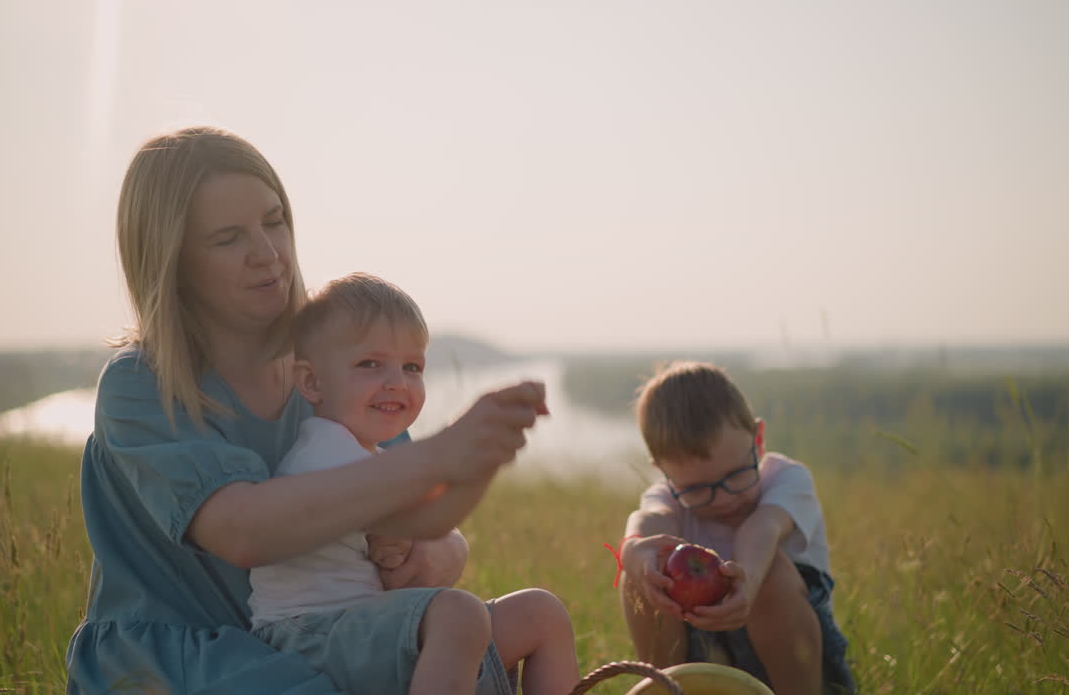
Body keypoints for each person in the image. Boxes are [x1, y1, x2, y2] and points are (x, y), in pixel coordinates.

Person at [66, 126, 550, 694]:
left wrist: (442, 550)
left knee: (518, 624)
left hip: (324, 635)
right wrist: (444, 454)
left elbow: (408, 511)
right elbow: (244, 529)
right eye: (227, 238)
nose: (268, 254)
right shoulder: (142, 386)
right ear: (172, 262)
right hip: (184, 661)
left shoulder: (336, 370)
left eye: (274, 222)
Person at [248, 272, 579, 695]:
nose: (396, 382)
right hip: (309, 637)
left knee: (540, 613)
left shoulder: (374, 459)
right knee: (458, 614)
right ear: (312, 382)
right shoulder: (326, 453)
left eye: (412, 367)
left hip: (368, 631)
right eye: (370, 363)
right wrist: (480, 451)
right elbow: (430, 518)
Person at [615, 361, 855, 695]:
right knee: (643, 572)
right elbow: (649, 519)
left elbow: (763, 528)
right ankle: (666, 687)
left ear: (758, 440)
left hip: (799, 670)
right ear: (664, 473)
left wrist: (747, 584)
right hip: (701, 666)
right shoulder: (670, 498)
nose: (725, 499)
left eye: (737, 475)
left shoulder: (786, 480)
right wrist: (634, 551)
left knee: (769, 568)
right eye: (697, 488)